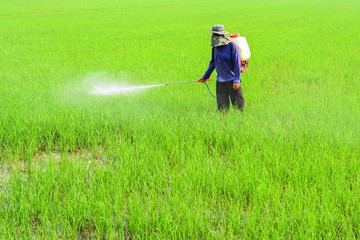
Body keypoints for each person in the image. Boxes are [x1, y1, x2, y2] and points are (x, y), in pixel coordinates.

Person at [198, 24, 245, 111]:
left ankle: (242, 121)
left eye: (215, 34)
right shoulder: (214, 48)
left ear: (221, 35)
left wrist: (237, 80)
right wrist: (205, 76)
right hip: (220, 81)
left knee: (239, 107)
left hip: (232, 81)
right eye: (213, 34)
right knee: (222, 108)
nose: (213, 37)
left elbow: (237, 64)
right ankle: (223, 123)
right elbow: (212, 63)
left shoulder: (232, 47)